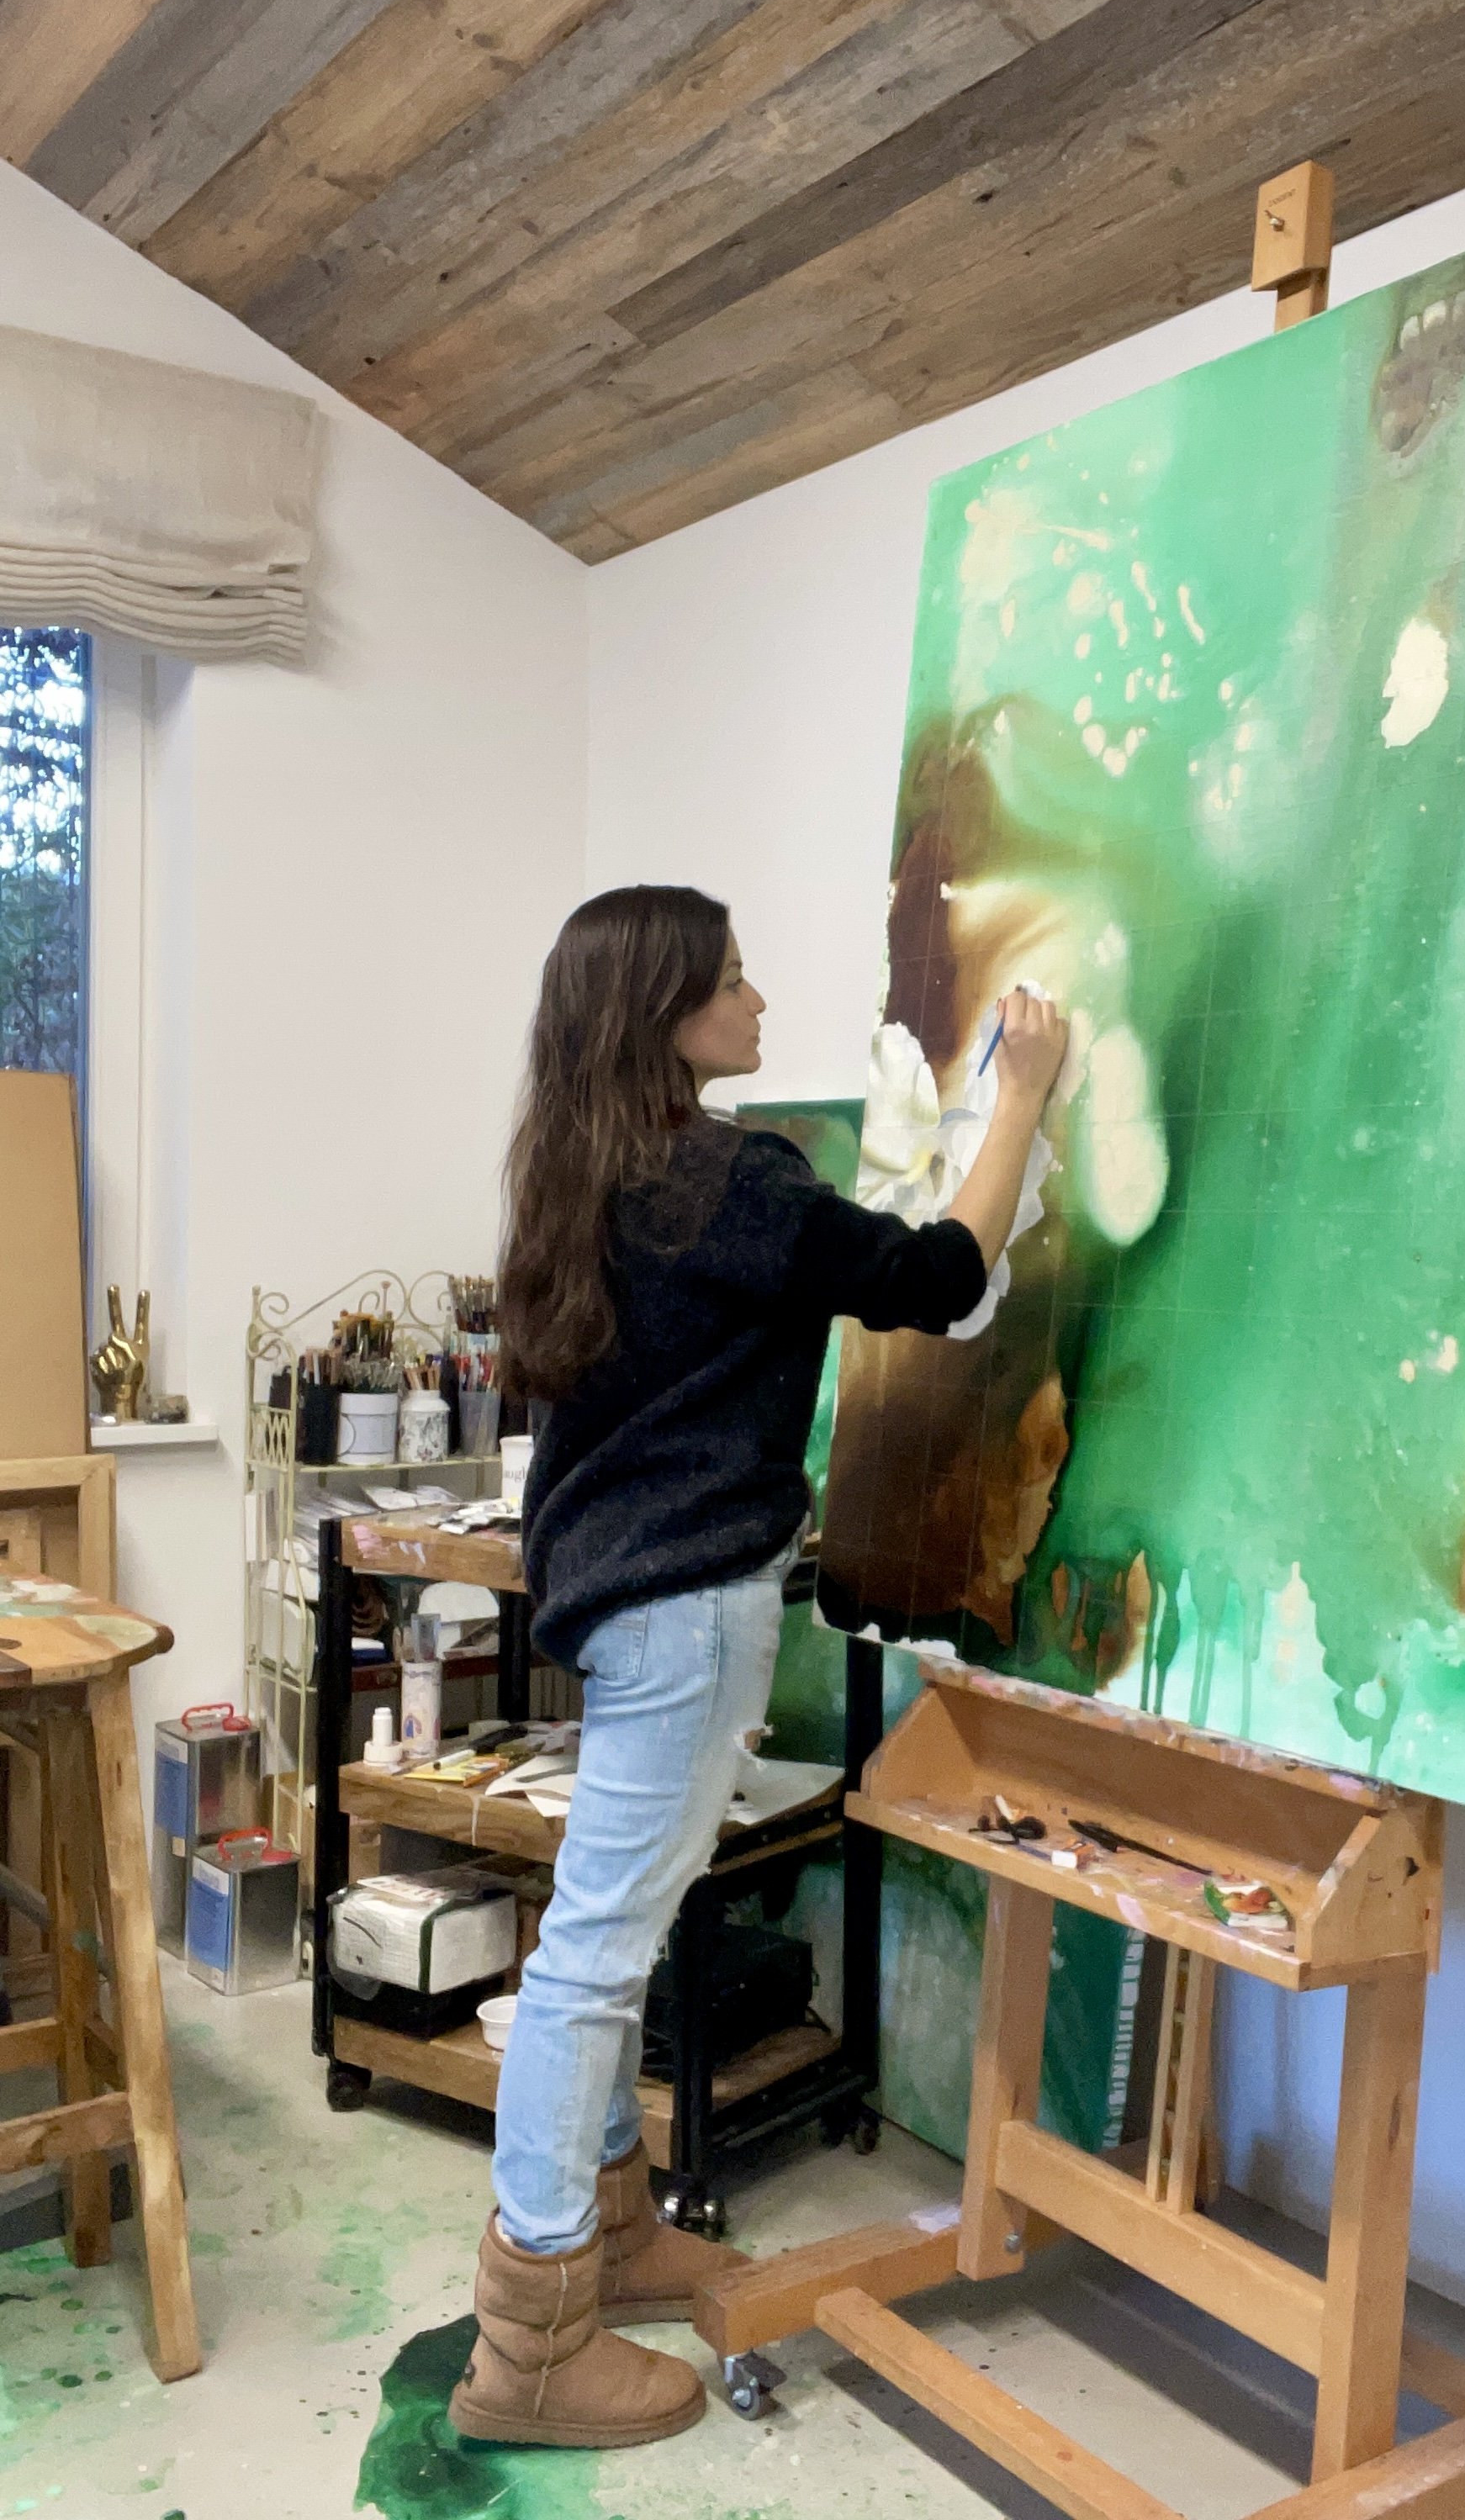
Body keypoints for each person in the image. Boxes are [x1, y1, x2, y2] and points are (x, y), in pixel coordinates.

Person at [448, 883, 1067, 2450]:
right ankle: (527, 2344)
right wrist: (1025, 1099)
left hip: (614, 1598)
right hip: (684, 1612)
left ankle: (611, 2232)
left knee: (620, 1935)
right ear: (666, 1014)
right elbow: (939, 1278)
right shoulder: (733, 1179)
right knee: (594, 1960)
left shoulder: (581, 1169)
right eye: (733, 982)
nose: (763, 1001)